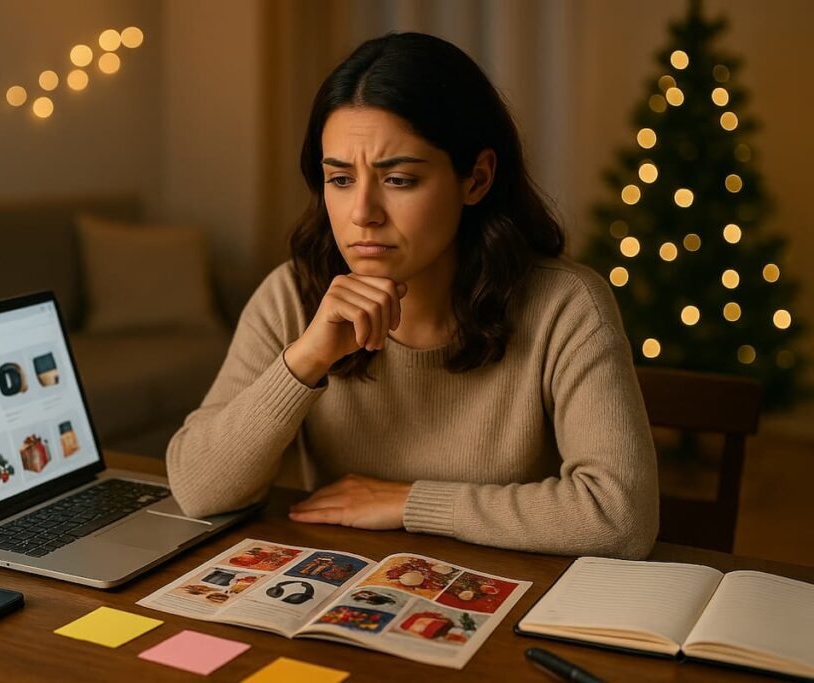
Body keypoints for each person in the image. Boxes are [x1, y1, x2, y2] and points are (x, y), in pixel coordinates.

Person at [166, 32, 658, 559]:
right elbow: (198, 490)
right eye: (339, 179)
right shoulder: (292, 293)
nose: (362, 213)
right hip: (343, 602)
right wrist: (306, 357)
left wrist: (409, 504)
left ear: (477, 178)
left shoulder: (566, 306)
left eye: (398, 179)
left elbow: (618, 517)